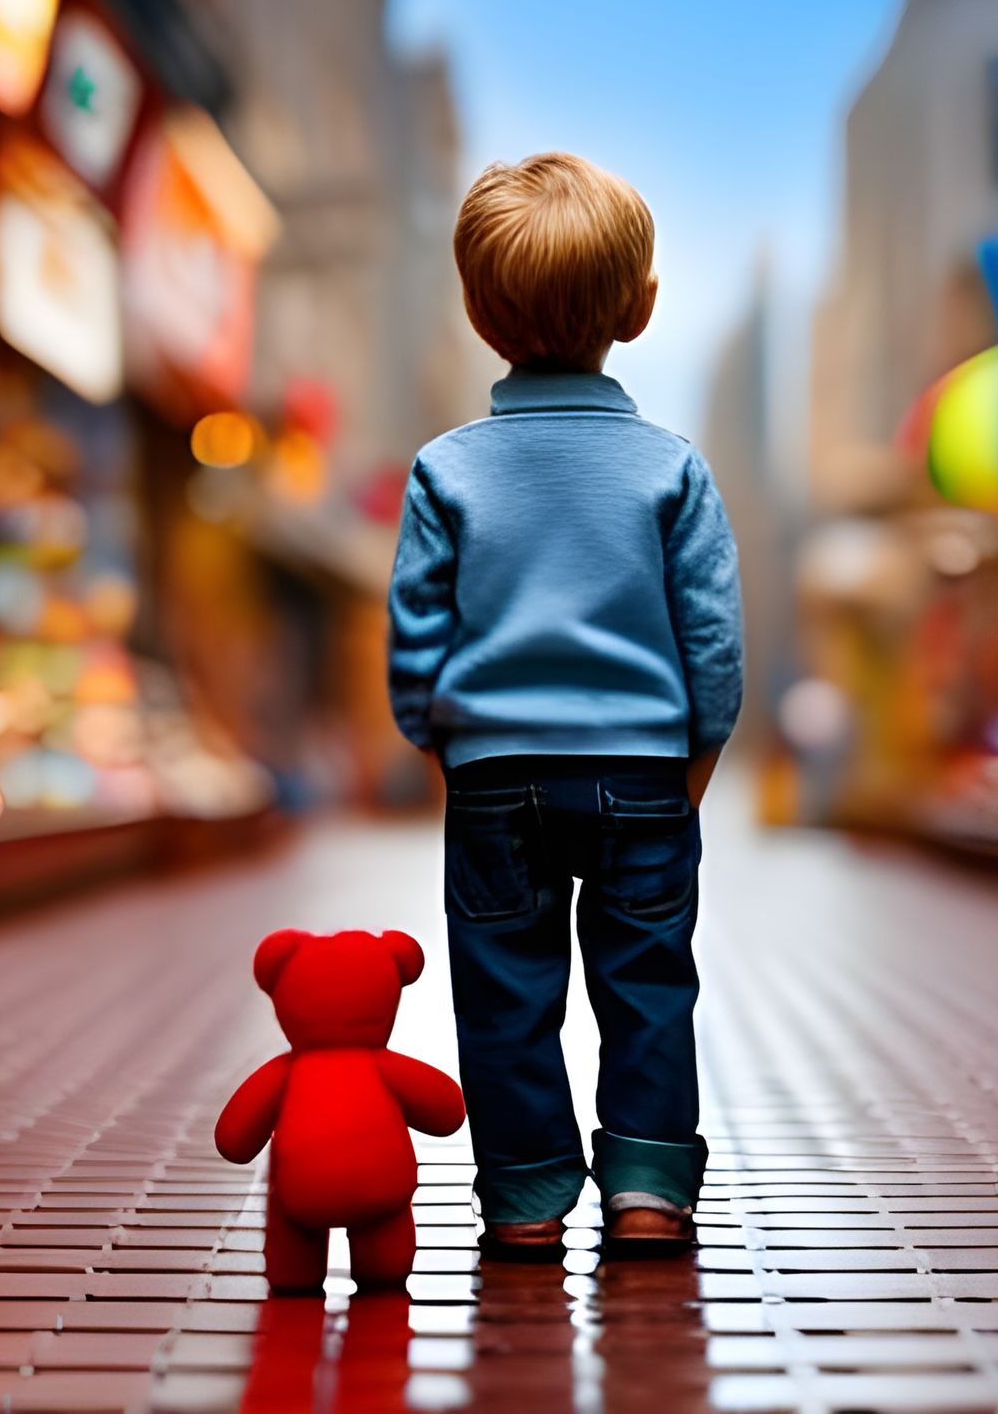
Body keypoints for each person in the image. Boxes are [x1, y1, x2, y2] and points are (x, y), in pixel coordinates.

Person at [387, 151, 744, 1257]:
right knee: (646, 981)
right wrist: (696, 759)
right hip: (642, 770)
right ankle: (646, 1184)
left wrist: (434, 738)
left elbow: (415, 631)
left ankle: (528, 1196)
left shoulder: (446, 468)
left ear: (477, 307)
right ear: (638, 308)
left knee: (504, 992)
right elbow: (713, 638)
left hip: (492, 777)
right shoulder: (669, 469)